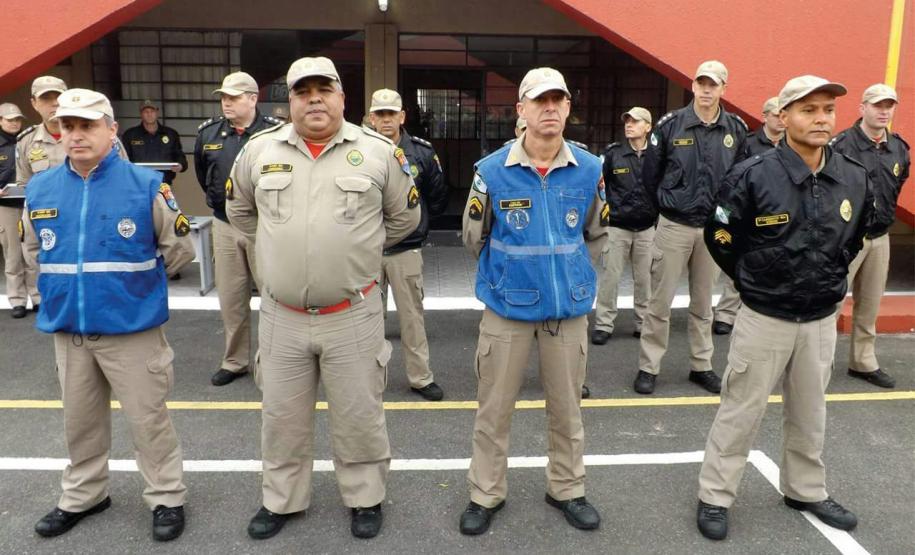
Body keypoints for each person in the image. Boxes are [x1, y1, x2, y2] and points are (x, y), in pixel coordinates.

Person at [226, 56, 419, 540]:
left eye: (323, 89)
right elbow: (242, 215)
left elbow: (403, 219)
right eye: (302, 90)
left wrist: (353, 254)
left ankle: (365, 496)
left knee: (359, 414)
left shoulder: (378, 153)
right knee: (281, 415)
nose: (313, 98)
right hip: (281, 315)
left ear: (341, 97)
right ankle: (283, 499)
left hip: (351, 312)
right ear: (288, 100)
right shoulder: (258, 150)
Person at [696, 75, 873, 540]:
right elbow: (720, 235)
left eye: (828, 110)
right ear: (784, 115)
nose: (820, 119)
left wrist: (828, 279)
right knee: (740, 410)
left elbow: (852, 240)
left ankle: (805, 489)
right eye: (808, 109)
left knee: (811, 412)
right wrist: (753, 277)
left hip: (819, 319)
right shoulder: (753, 174)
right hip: (764, 317)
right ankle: (715, 495)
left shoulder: (854, 176)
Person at [22, 89, 195, 542]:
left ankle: (166, 497)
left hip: (131, 330)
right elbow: (33, 248)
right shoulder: (40, 188)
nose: (76, 135)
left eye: (87, 125)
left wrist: (136, 293)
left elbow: (178, 251)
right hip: (69, 331)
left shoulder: (146, 184)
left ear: (111, 130)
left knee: (148, 420)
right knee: (79, 422)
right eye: (68, 126)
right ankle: (85, 494)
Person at [459, 67, 609, 536]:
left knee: (567, 410)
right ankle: (486, 493)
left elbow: (596, 233)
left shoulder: (590, 168)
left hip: (568, 312)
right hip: (508, 310)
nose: (549, 109)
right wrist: (511, 276)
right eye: (539, 101)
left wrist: (568, 277)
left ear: (568, 108)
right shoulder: (491, 172)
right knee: (494, 410)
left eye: (557, 101)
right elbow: (472, 237)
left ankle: (566, 488)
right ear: (520, 110)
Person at [634, 60, 748, 394]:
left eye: (714, 84)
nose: (706, 89)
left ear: (724, 88)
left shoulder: (735, 129)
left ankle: (701, 365)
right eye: (701, 83)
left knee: (703, 304)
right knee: (660, 302)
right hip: (674, 226)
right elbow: (650, 175)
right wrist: (667, 208)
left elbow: (740, 178)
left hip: (712, 229)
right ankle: (648, 367)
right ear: (693, 86)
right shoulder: (671, 126)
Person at [194, 71, 282, 386]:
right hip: (224, 224)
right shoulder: (208, 134)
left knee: (274, 295)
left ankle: (275, 362)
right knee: (232, 298)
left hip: (264, 226)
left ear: (253, 98)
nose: (226, 103)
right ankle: (235, 361)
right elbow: (204, 177)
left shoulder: (276, 134)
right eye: (223, 97)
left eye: (233, 97)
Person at [369, 88, 449, 400]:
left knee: (412, 320)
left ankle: (420, 378)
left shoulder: (421, 152)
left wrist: (420, 223)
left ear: (402, 116)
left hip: (406, 250)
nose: (386, 120)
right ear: (371, 118)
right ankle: (368, 378)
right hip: (368, 251)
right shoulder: (357, 152)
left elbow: (438, 196)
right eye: (380, 114)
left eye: (392, 114)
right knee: (366, 320)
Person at [830, 83, 910, 389]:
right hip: (845, 237)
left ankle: (862, 362)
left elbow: (897, 183)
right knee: (831, 301)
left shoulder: (899, 148)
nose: (883, 111)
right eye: (877, 105)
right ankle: (818, 364)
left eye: (889, 105)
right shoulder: (841, 146)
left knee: (870, 304)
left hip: (880, 237)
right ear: (862, 108)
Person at [713, 96, 784, 335]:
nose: (781, 119)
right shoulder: (749, 143)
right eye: (776, 114)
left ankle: (767, 309)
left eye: (784, 114)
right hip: (751, 210)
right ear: (765, 116)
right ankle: (726, 314)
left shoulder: (791, 145)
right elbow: (733, 175)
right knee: (741, 261)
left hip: (780, 212)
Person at [592, 106, 656, 344]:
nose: (629, 124)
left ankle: (643, 323)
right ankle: (604, 324)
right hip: (617, 227)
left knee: (645, 279)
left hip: (647, 228)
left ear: (648, 127)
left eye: (635, 121)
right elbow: (599, 187)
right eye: (627, 120)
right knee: (611, 277)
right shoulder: (613, 154)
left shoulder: (657, 155)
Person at [0, 102, 38, 318]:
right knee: (13, 255)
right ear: (0, 121)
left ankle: (37, 297)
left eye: (17, 119)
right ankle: (17, 300)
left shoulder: (30, 140)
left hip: (30, 203)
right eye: (9, 119)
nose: (14, 123)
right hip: (6, 206)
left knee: (32, 252)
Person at [121, 99, 188, 185]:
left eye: (152, 111)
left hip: (163, 183)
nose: (149, 114)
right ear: (141, 114)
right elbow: (123, 159)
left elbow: (180, 157)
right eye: (146, 111)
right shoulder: (130, 135)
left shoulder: (171, 134)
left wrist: (181, 165)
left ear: (157, 112)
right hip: (137, 184)